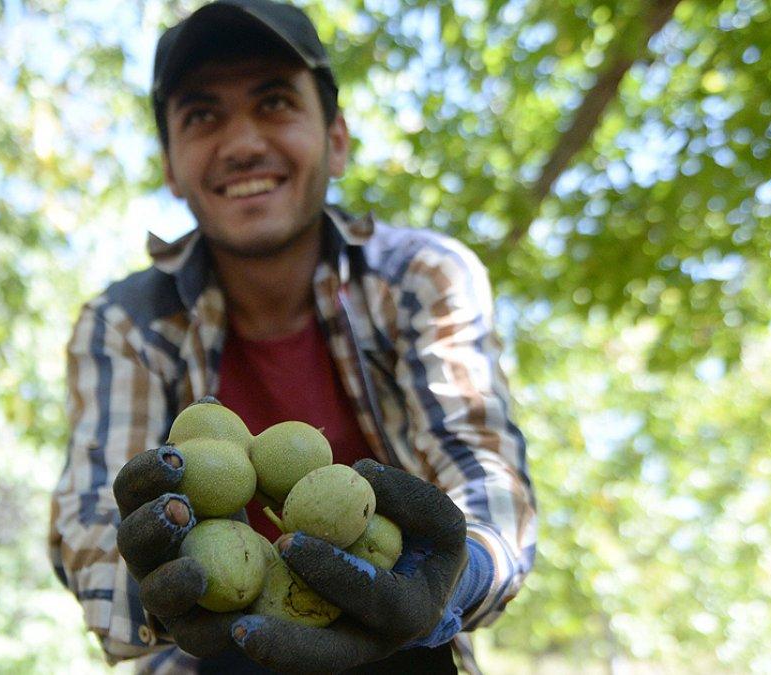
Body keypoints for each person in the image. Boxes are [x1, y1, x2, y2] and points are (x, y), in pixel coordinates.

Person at [48, 1, 536, 672]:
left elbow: (483, 468)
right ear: (171, 165)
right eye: (202, 116)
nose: (242, 142)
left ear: (337, 140)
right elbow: (91, 519)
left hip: (409, 651)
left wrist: (456, 576)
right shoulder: (125, 322)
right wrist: (154, 593)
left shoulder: (422, 277)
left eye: (275, 102)